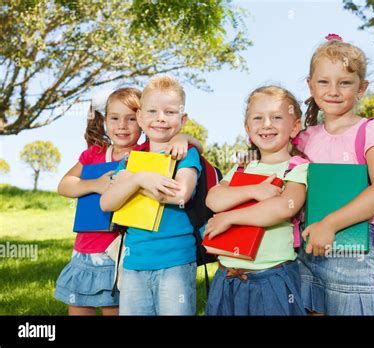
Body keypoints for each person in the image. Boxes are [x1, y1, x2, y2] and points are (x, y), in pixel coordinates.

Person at [296, 34, 374, 315]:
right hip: (309, 247)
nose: (333, 90)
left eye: (345, 82)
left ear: (361, 88)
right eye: (324, 82)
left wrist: (331, 223)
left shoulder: (368, 130)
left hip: (354, 250)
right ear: (310, 85)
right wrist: (193, 143)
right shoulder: (304, 137)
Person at [100, 75, 202, 315]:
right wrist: (138, 178)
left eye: (170, 112)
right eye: (153, 111)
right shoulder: (131, 160)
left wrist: (131, 182)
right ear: (140, 118)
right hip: (135, 261)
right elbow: (107, 202)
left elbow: (181, 195)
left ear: (182, 119)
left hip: (175, 260)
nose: (161, 118)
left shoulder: (185, 155)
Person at [204, 86, 308, 315]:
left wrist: (230, 217)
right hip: (227, 276)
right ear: (247, 128)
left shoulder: (296, 168)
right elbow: (214, 199)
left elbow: (282, 207)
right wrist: (253, 190)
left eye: (277, 117)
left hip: (271, 279)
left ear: (295, 126)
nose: (267, 124)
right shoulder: (242, 167)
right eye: (258, 118)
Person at [55, 87, 143, 315]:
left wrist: (183, 137)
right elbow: (64, 185)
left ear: (143, 120)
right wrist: (95, 184)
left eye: (131, 119)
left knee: (113, 308)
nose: (122, 125)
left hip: (118, 254)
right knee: (78, 307)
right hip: (84, 250)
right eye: (114, 118)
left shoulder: (147, 154)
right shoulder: (94, 154)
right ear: (104, 121)